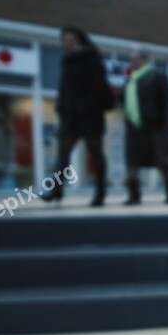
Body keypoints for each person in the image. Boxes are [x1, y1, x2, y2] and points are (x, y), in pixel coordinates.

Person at [43, 26, 111, 206]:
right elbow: (65, 89)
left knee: (96, 155)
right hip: (69, 117)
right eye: (64, 40)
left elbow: (99, 86)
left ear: (80, 40)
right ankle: (56, 190)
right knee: (62, 154)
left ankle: (100, 193)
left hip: (90, 116)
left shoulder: (92, 58)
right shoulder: (66, 60)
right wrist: (61, 108)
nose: (67, 43)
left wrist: (85, 106)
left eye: (71, 40)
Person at [122, 47, 168, 205]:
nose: (132, 62)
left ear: (145, 59)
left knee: (162, 160)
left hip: (154, 125)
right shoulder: (130, 79)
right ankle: (134, 195)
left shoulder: (157, 75)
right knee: (132, 161)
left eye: (135, 58)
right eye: (131, 59)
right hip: (134, 126)